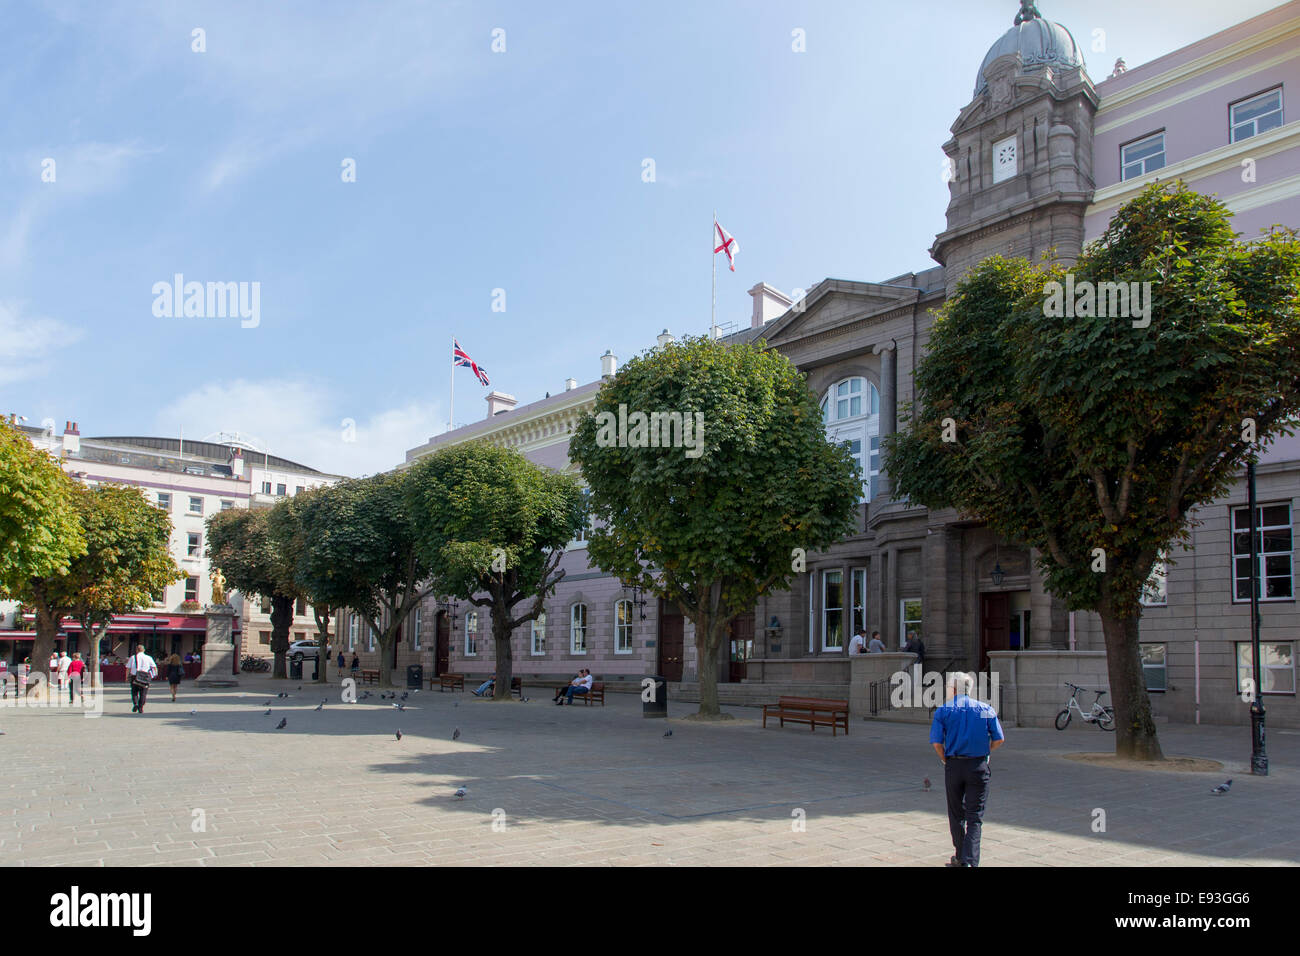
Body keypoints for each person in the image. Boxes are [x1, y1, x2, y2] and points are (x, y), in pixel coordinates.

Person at [929, 671, 1004, 868]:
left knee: (955, 814)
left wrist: (946, 759)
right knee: (975, 817)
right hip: (978, 765)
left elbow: (937, 743)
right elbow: (999, 739)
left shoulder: (943, 711)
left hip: (954, 765)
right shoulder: (984, 709)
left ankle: (961, 856)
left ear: (954, 689)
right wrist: (985, 750)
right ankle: (969, 861)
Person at [127, 644, 158, 714]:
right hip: (145, 676)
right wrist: (155, 674)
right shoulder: (148, 658)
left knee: (134, 691)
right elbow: (154, 667)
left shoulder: (133, 657)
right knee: (143, 693)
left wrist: (127, 676)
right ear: (144, 650)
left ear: (136, 650)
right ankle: (141, 707)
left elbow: (128, 668)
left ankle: (135, 704)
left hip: (135, 676)